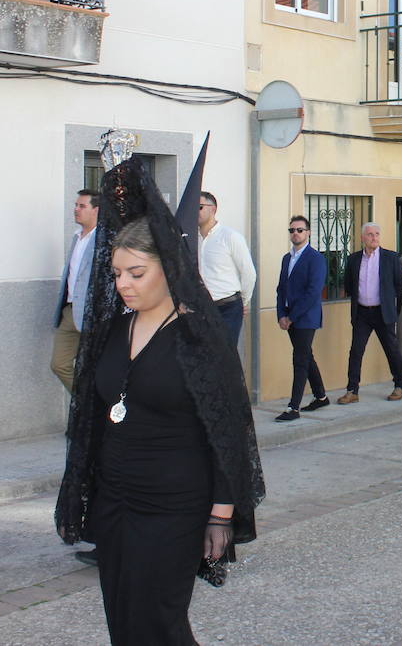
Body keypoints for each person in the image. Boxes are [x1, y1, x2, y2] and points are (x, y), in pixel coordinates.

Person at [55, 161, 264, 646]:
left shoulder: (199, 338)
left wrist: (220, 513)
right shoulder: (114, 330)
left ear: (169, 268)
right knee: (123, 621)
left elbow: (228, 430)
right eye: (116, 273)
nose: (123, 284)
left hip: (174, 504)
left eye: (136, 272)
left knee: (159, 623)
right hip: (115, 500)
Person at [341, 223, 402, 403]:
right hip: (362, 313)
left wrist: (392, 306)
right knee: (356, 351)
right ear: (363, 238)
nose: (374, 237)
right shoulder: (354, 259)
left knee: (391, 350)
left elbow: (400, 285)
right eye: (370, 234)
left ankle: (400, 384)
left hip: (382, 313)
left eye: (377, 234)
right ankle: (352, 390)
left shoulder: (390, 258)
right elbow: (348, 284)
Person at [273, 216, 328, 422]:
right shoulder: (287, 258)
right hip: (289, 316)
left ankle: (293, 407)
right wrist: (281, 314)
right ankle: (321, 396)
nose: (295, 233)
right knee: (306, 356)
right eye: (292, 230)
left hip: (305, 317)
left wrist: (292, 317)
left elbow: (313, 292)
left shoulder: (316, 258)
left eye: (300, 230)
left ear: (308, 233)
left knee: (300, 359)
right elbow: (281, 288)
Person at [52, 189, 100, 394]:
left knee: (94, 366)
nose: (76, 210)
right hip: (70, 311)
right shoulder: (76, 237)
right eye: (75, 205)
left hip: (92, 312)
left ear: (96, 210)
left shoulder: (104, 239)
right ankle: (85, 403)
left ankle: (96, 413)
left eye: (82, 206)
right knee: (59, 364)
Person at [197, 192, 256, 351]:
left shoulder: (230, 237)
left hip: (227, 308)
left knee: (225, 356)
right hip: (202, 309)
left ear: (213, 209)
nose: (196, 211)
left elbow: (248, 272)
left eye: (200, 207)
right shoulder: (192, 240)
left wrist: (243, 301)